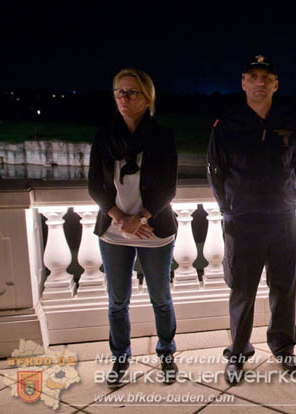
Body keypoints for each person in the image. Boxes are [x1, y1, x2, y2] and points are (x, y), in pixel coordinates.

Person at [207, 55, 296, 385]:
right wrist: (230, 207)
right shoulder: (227, 123)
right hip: (242, 221)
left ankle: (283, 347)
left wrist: (285, 197)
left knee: (284, 286)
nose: (260, 82)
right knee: (242, 290)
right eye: (253, 76)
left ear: (276, 84)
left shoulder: (293, 121)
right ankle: (238, 352)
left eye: (267, 77)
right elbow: (215, 171)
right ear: (243, 83)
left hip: (282, 218)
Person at [88, 68, 179, 387]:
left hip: (152, 228)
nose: (123, 99)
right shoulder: (105, 136)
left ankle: (167, 353)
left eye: (131, 93)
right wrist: (119, 219)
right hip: (113, 231)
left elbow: (167, 188)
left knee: (160, 298)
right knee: (117, 301)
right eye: (118, 92)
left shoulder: (162, 137)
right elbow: (95, 187)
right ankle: (120, 359)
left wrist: (137, 219)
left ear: (147, 99)